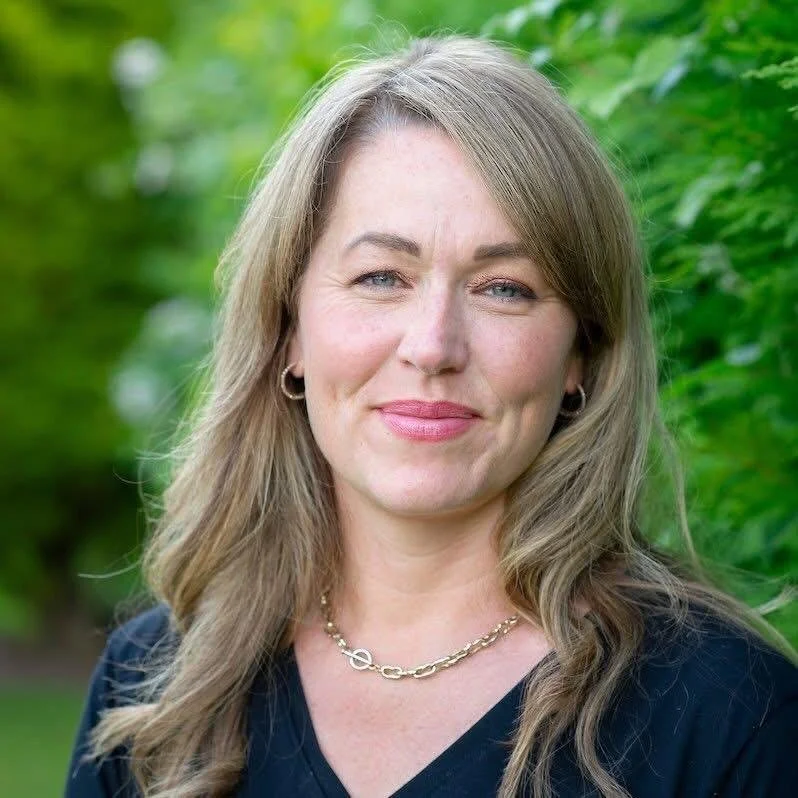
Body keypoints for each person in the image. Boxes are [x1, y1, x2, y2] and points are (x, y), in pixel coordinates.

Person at [65, 35, 797, 798]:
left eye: (504, 287)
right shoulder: (158, 691)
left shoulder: (732, 719)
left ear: (582, 353)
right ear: (289, 332)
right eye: (382, 276)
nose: (433, 346)